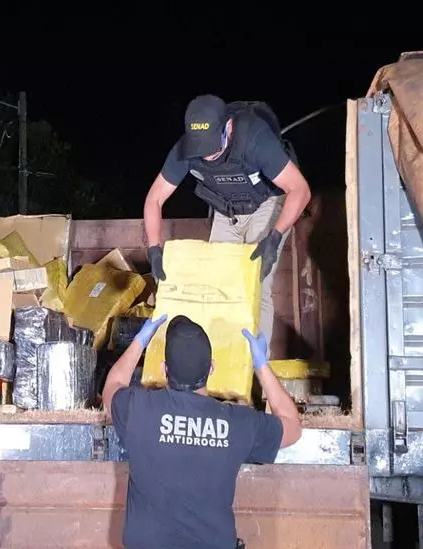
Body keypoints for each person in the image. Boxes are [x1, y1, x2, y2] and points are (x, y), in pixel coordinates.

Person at [102, 314, 302, 549]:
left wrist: (140, 341)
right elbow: (292, 426)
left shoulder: (138, 409)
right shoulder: (237, 422)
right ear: (211, 368)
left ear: (165, 370)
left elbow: (112, 387)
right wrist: (261, 366)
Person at [143, 95, 311, 350]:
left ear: (228, 127)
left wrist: (274, 236)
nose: (208, 156)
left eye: (213, 147)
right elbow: (154, 199)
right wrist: (154, 249)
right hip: (227, 210)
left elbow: (300, 189)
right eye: (201, 150)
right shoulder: (186, 148)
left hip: (267, 204)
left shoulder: (255, 138)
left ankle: (257, 366)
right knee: (218, 282)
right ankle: (220, 359)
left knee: (256, 281)